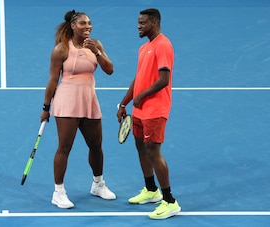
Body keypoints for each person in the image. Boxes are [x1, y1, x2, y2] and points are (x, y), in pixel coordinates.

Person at [40, 10, 116, 209]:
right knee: (64, 148)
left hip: (89, 101)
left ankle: (98, 184)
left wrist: (97, 52)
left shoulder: (96, 45)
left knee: (96, 146)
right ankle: (58, 192)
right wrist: (46, 108)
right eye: (83, 23)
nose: (88, 26)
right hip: (67, 103)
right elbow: (52, 80)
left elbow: (109, 70)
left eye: (90, 23)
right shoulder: (61, 49)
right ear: (73, 26)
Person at [116, 8, 181, 219]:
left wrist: (142, 96)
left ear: (153, 22)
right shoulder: (144, 48)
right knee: (140, 148)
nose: (138, 26)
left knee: (153, 151)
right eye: (138, 22)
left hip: (156, 108)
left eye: (142, 23)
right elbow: (138, 78)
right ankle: (151, 190)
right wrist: (123, 103)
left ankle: (170, 201)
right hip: (140, 108)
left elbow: (164, 79)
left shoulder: (163, 45)